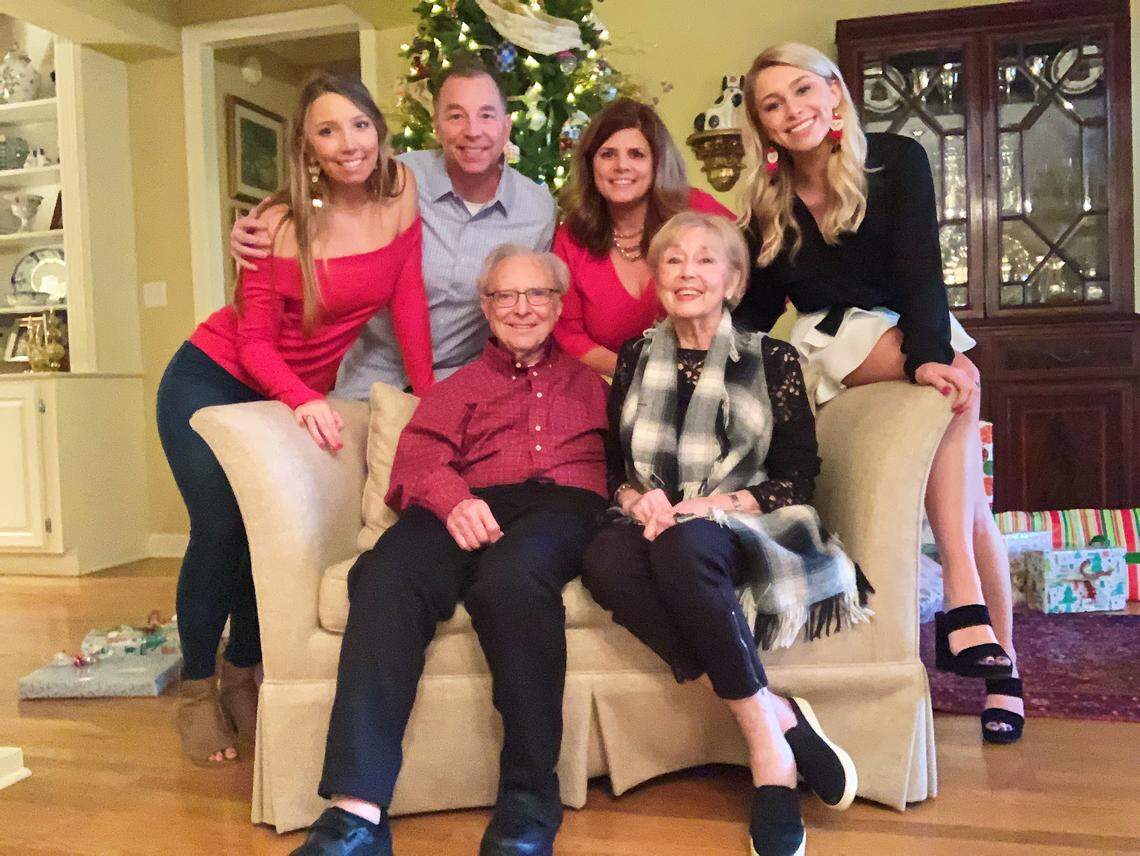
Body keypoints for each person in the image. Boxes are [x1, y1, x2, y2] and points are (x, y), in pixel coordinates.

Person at [735, 42, 1023, 744]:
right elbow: (757, 308)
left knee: (969, 500)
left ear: (834, 94)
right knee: (962, 385)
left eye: (803, 92)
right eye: (772, 105)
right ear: (763, 125)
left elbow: (923, 269)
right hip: (827, 344)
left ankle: (999, 663)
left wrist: (928, 354)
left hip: (903, 328)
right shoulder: (766, 202)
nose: (792, 111)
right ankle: (964, 605)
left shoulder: (896, 160)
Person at [291, 246, 610, 856]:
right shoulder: (457, 387)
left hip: (562, 507)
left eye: (537, 294)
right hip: (469, 500)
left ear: (558, 303)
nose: (522, 308)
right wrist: (454, 499)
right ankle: (355, 812)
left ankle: (527, 797)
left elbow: (634, 464)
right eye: (505, 296)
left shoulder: (595, 388)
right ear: (485, 306)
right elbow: (417, 459)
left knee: (512, 581)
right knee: (383, 573)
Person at [156, 73, 433, 767]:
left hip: (289, 391)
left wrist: (429, 400)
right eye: (328, 130)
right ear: (306, 147)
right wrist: (304, 399)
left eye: (360, 125)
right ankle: (196, 691)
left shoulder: (401, 192)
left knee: (267, 535)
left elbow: (407, 301)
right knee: (219, 530)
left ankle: (244, 674)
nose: (350, 144)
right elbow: (251, 341)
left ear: (380, 129)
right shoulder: (278, 223)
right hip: (213, 378)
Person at [583, 211, 866, 856]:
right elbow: (612, 467)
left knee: (686, 549)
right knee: (604, 558)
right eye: (673, 260)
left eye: (706, 260)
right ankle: (776, 714)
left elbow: (799, 473)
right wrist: (637, 501)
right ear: (656, 278)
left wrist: (720, 503)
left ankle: (770, 759)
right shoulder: (633, 357)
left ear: (734, 280)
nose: (688, 272)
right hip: (655, 516)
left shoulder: (773, 358)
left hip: (742, 519)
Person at [232, 59, 558, 398]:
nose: (472, 131)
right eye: (456, 115)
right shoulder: (397, 177)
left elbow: (537, 306)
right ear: (436, 125)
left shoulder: (537, 210)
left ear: (506, 127)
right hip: (368, 374)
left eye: (487, 115)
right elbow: (318, 194)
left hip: (459, 381)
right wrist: (254, 227)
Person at [554, 98, 735, 376]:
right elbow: (569, 335)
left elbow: (760, 274)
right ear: (590, 165)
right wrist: (638, 374)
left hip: (714, 379)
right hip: (619, 389)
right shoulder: (572, 237)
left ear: (657, 162)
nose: (621, 166)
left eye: (636, 154)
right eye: (608, 154)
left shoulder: (697, 211)